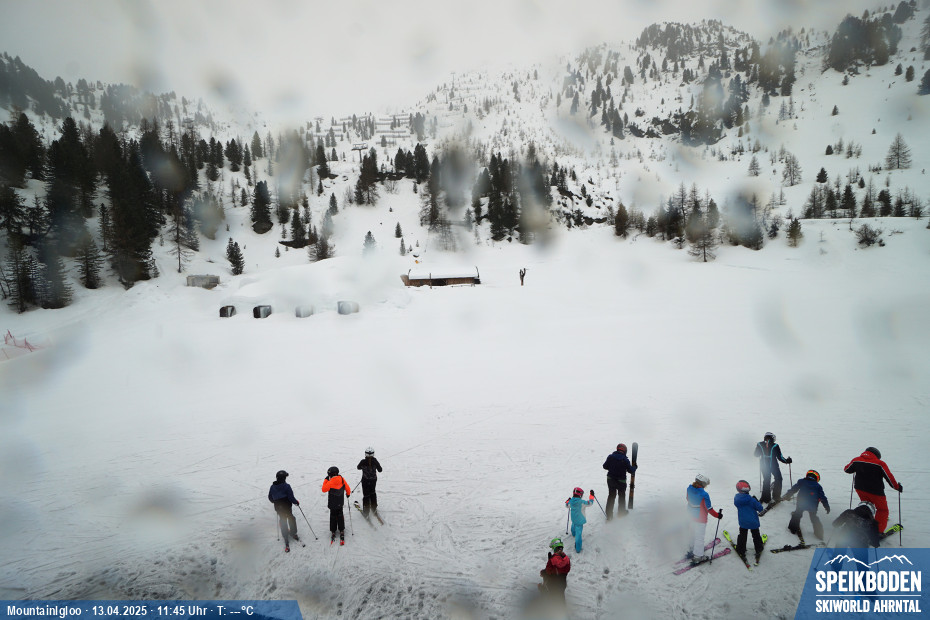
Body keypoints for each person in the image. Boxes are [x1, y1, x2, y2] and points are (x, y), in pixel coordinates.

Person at [843, 447, 902, 533]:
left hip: (860, 489)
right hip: (876, 492)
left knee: (866, 506)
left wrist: (857, 467)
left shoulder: (856, 460)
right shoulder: (880, 463)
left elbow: (847, 469)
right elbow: (889, 477)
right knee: (882, 510)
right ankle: (877, 532)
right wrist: (897, 487)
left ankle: (863, 523)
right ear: (877, 455)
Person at [782, 469, 831, 540]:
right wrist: (827, 506)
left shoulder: (802, 481)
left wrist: (788, 495)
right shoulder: (818, 486)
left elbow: (794, 489)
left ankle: (793, 529)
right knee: (814, 517)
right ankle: (819, 534)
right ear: (816, 478)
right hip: (813, 505)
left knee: (797, 514)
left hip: (801, 503)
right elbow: (823, 498)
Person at [686, 474, 722, 565]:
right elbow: (709, 509)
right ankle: (698, 557)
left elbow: (687, 499)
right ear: (703, 484)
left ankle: (691, 549)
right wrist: (718, 515)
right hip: (700, 519)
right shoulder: (704, 495)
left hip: (690, 516)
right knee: (699, 538)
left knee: (692, 534)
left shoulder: (689, 489)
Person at [754, 432, 792, 504]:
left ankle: (765, 498)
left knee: (766, 480)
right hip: (773, 466)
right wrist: (787, 461)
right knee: (778, 478)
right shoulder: (775, 446)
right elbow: (780, 457)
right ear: (772, 438)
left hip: (764, 466)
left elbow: (756, 454)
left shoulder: (760, 444)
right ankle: (776, 497)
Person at [733, 480, 765, 563]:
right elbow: (760, 508)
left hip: (743, 522)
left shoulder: (736, 499)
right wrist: (756, 501)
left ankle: (741, 549)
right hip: (753, 522)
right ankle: (759, 548)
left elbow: (736, 504)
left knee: (742, 535)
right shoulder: (752, 500)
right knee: (756, 535)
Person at [603, 443, 637, 520]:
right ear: (625, 451)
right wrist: (634, 467)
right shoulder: (625, 460)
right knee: (621, 496)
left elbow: (605, 466)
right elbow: (631, 470)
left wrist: (612, 467)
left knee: (611, 496)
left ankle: (609, 515)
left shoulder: (610, 457)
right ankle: (621, 512)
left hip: (610, 479)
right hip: (621, 481)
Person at [268, 470, 300, 552]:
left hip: (278, 507)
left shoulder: (272, 487)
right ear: (283, 478)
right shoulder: (287, 486)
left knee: (282, 519)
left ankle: (285, 535)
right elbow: (291, 497)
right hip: (287, 507)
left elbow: (270, 498)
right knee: (291, 518)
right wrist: (296, 502)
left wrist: (275, 501)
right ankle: (293, 532)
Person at [322, 466, 351, 545]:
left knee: (333, 516)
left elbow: (324, 489)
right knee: (340, 515)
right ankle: (341, 529)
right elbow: (347, 488)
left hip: (332, 503)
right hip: (340, 503)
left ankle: (333, 529)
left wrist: (325, 480)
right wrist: (348, 494)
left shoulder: (330, 482)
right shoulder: (342, 479)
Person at [538, 537, 571, 603]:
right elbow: (566, 569)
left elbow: (548, 571)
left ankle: (544, 589)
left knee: (553, 599)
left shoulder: (553, 559)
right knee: (561, 597)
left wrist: (544, 571)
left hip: (553, 583)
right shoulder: (566, 559)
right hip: (562, 583)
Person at [565, 487, 594, 553]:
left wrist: (568, 500)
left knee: (573, 524)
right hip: (579, 520)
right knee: (578, 534)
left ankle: (573, 533)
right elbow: (590, 503)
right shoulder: (582, 502)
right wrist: (592, 496)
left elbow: (567, 505)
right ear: (580, 494)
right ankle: (578, 548)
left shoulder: (571, 501)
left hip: (574, 519)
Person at [356, 447, 383, 518]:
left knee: (366, 495)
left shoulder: (363, 461)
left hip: (365, 480)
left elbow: (358, 467)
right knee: (372, 493)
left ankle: (366, 512)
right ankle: (374, 508)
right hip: (373, 480)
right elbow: (380, 470)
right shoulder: (375, 461)